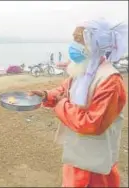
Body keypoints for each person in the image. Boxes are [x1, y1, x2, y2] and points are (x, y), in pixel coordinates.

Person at [29, 18, 128, 187]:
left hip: (97, 162)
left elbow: (92, 123)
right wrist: (47, 95)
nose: (73, 45)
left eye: (78, 39)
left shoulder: (110, 80)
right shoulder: (83, 69)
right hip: (77, 154)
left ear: (95, 44)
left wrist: (61, 105)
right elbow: (65, 90)